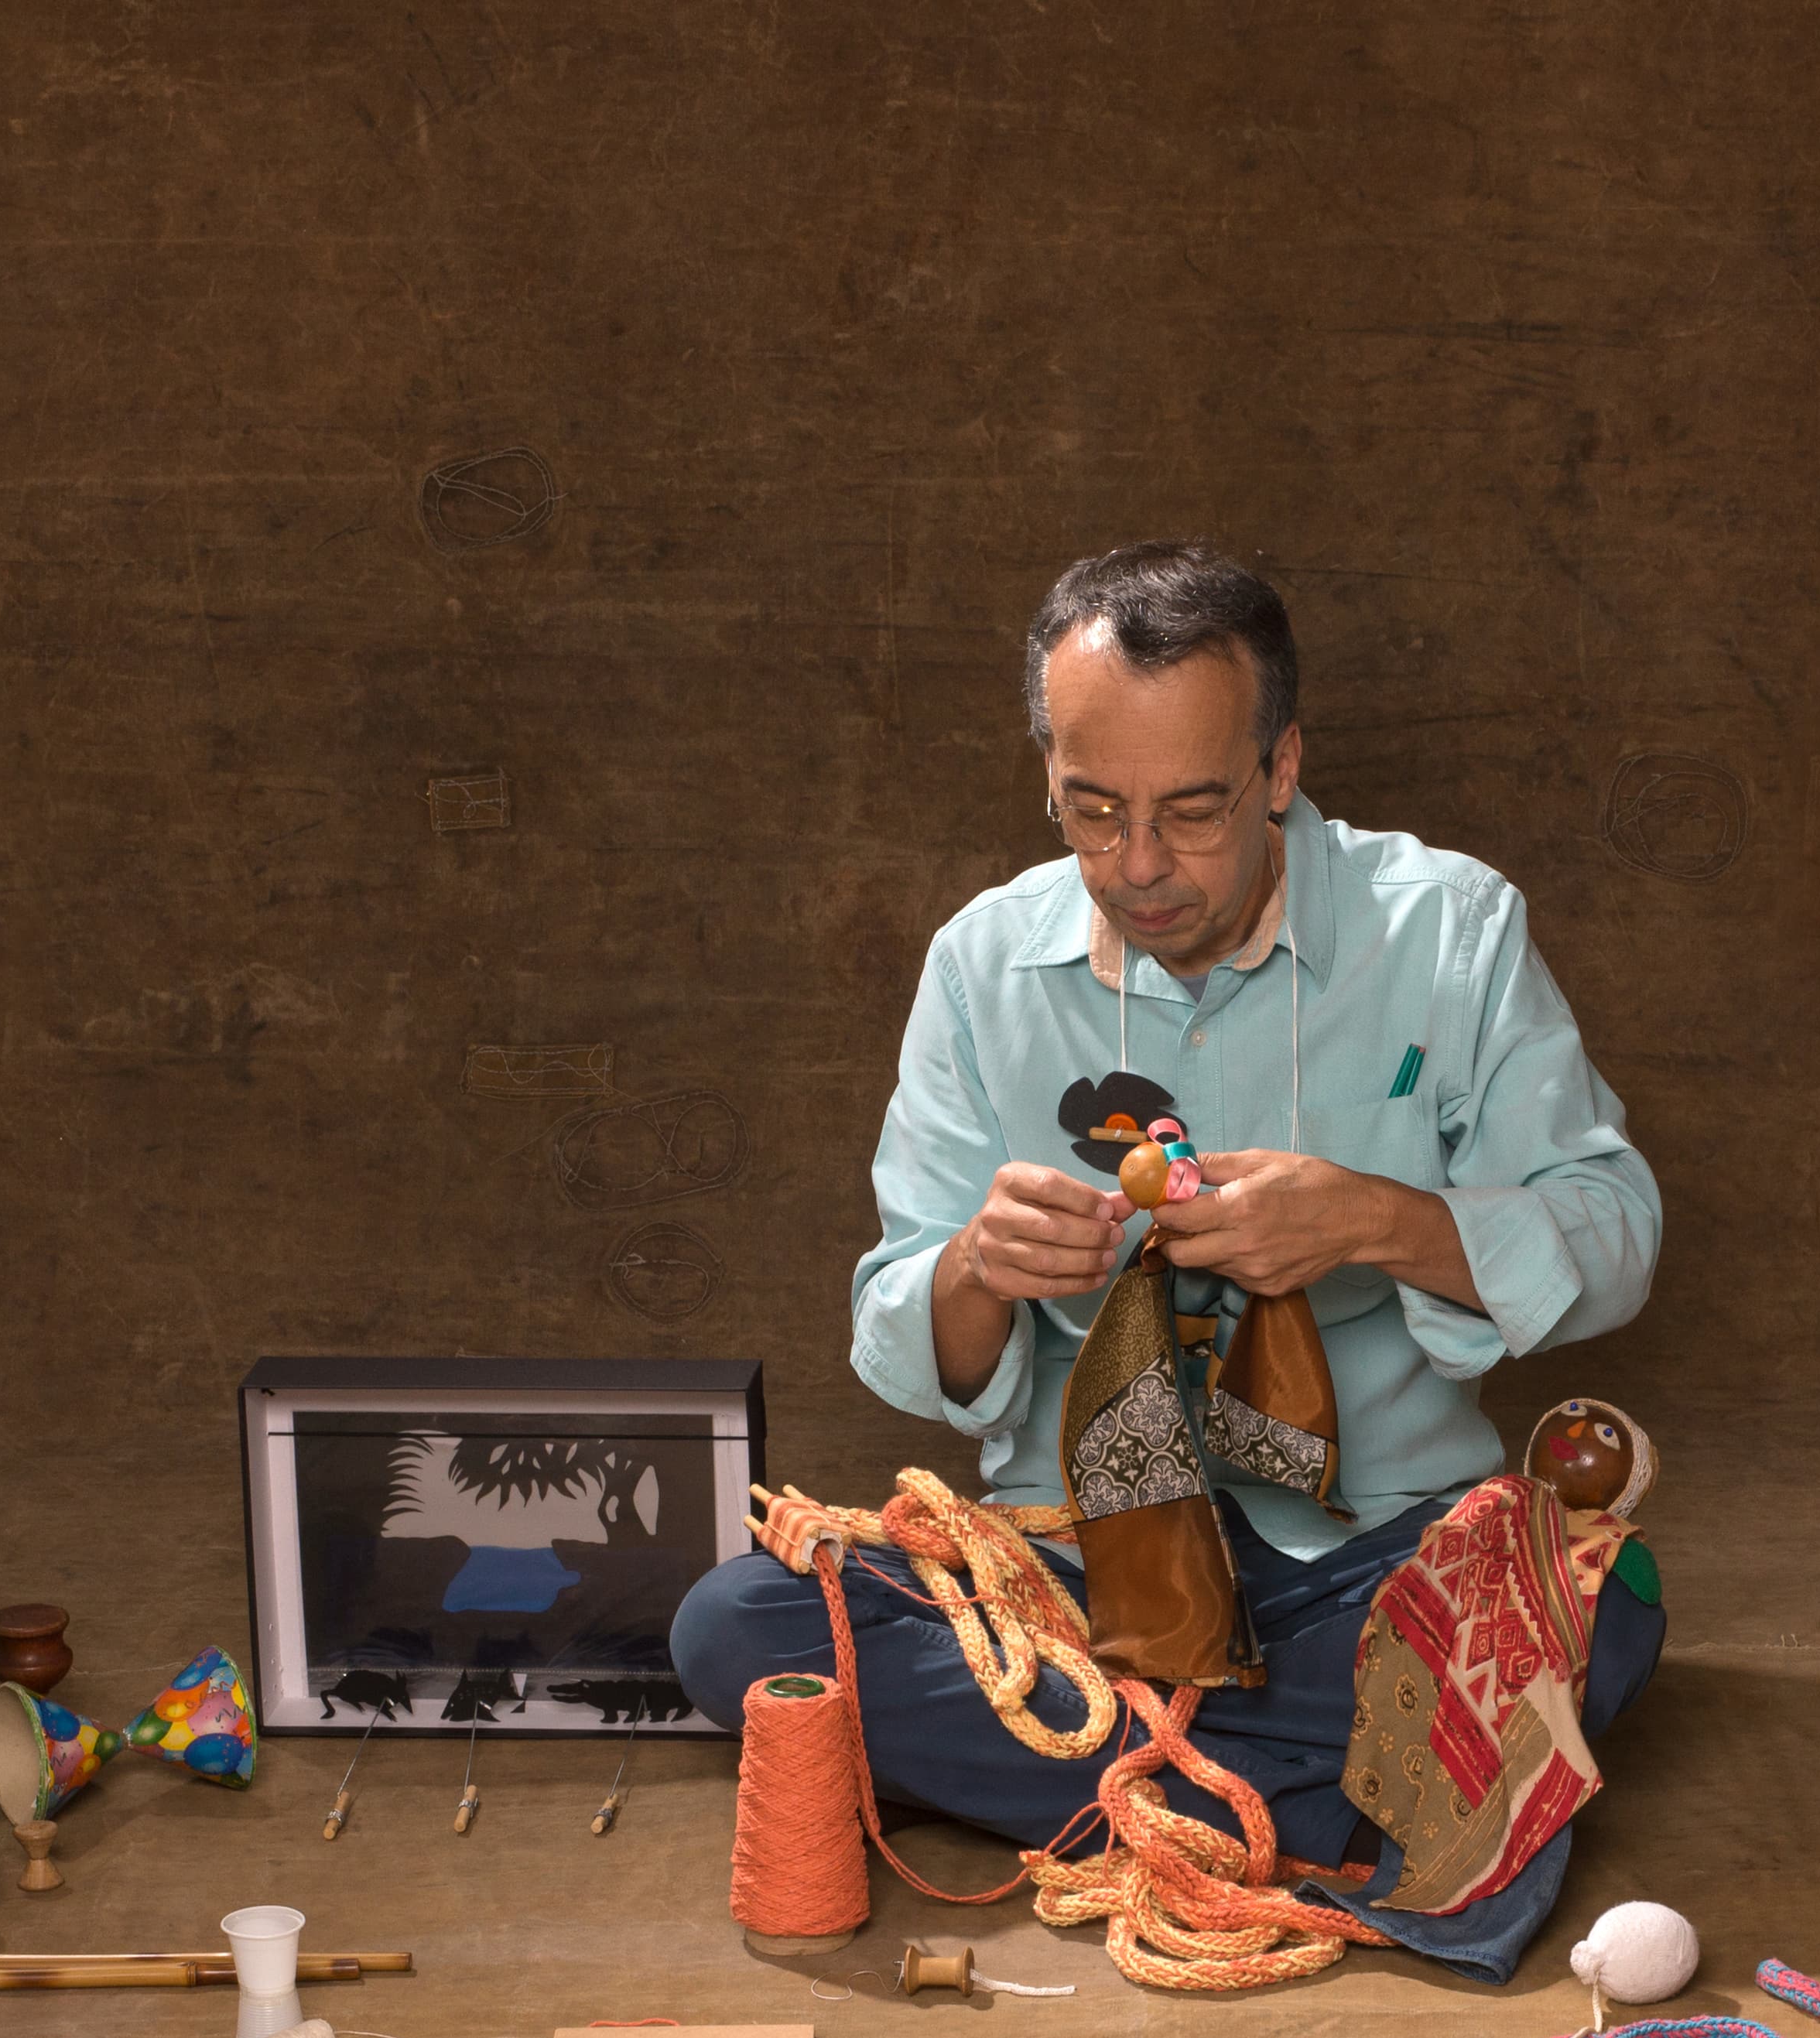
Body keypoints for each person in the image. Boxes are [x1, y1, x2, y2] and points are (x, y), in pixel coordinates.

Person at [670, 543, 1664, 1964]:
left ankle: (1176, 1785)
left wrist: (1378, 1220)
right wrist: (976, 1269)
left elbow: (1616, 1228)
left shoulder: (1450, 929)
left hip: (1376, 1561)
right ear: (1050, 780)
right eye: (1093, 811)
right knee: (740, 1632)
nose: (1138, 868)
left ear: (1279, 767)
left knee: (1608, 1605)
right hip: (1072, 1579)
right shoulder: (980, 965)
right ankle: (1371, 1796)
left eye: (1192, 811)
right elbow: (904, 1324)